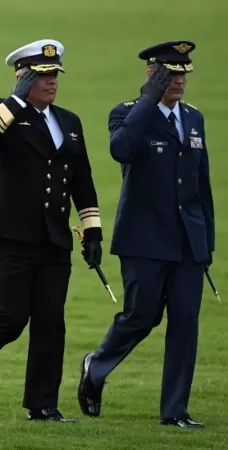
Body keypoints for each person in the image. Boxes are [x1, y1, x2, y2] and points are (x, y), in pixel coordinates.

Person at [0, 39, 103, 423]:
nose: (51, 82)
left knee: (51, 320)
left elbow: (81, 179)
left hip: (54, 237)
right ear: (22, 77)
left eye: (55, 75)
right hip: (11, 233)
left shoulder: (69, 121)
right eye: (42, 75)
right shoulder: (2, 113)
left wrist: (93, 230)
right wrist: (16, 101)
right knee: (12, 315)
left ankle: (42, 404)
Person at [77, 41, 213, 429]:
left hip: (189, 240)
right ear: (151, 74)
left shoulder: (194, 118)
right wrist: (147, 102)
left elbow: (201, 186)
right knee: (141, 316)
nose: (179, 81)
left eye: (183, 73)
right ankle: (96, 366)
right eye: (170, 74)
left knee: (186, 323)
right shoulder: (126, 113)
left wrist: (208, 244)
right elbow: (121, 150)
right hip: (144, 239)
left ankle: (175, 411)